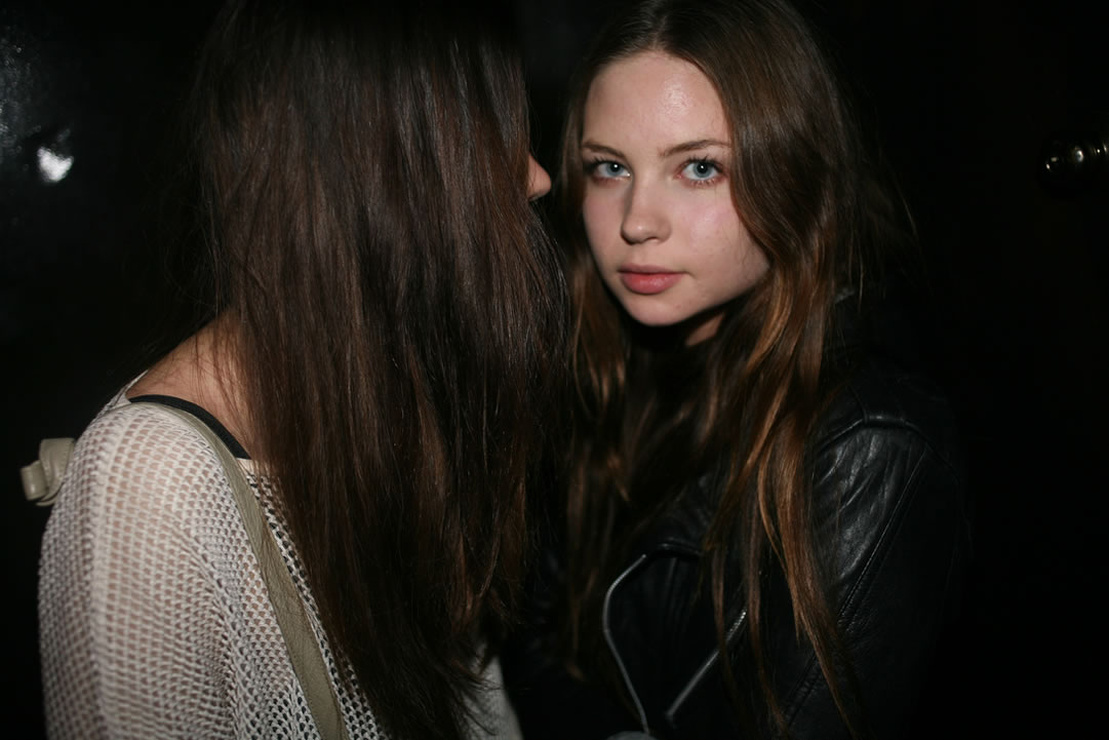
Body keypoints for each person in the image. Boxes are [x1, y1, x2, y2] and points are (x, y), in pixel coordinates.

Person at [33, 0, 567, 738]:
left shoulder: (397, 403)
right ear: (383, 167)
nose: (536, 178)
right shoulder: (148, 489)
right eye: (493, 131)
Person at [500, 0, 970, 738]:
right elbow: (538, 647)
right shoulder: (591, 368)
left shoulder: (869, 447)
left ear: (796, 173)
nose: (637, 221)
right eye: (609, 167)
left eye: (699, 168)